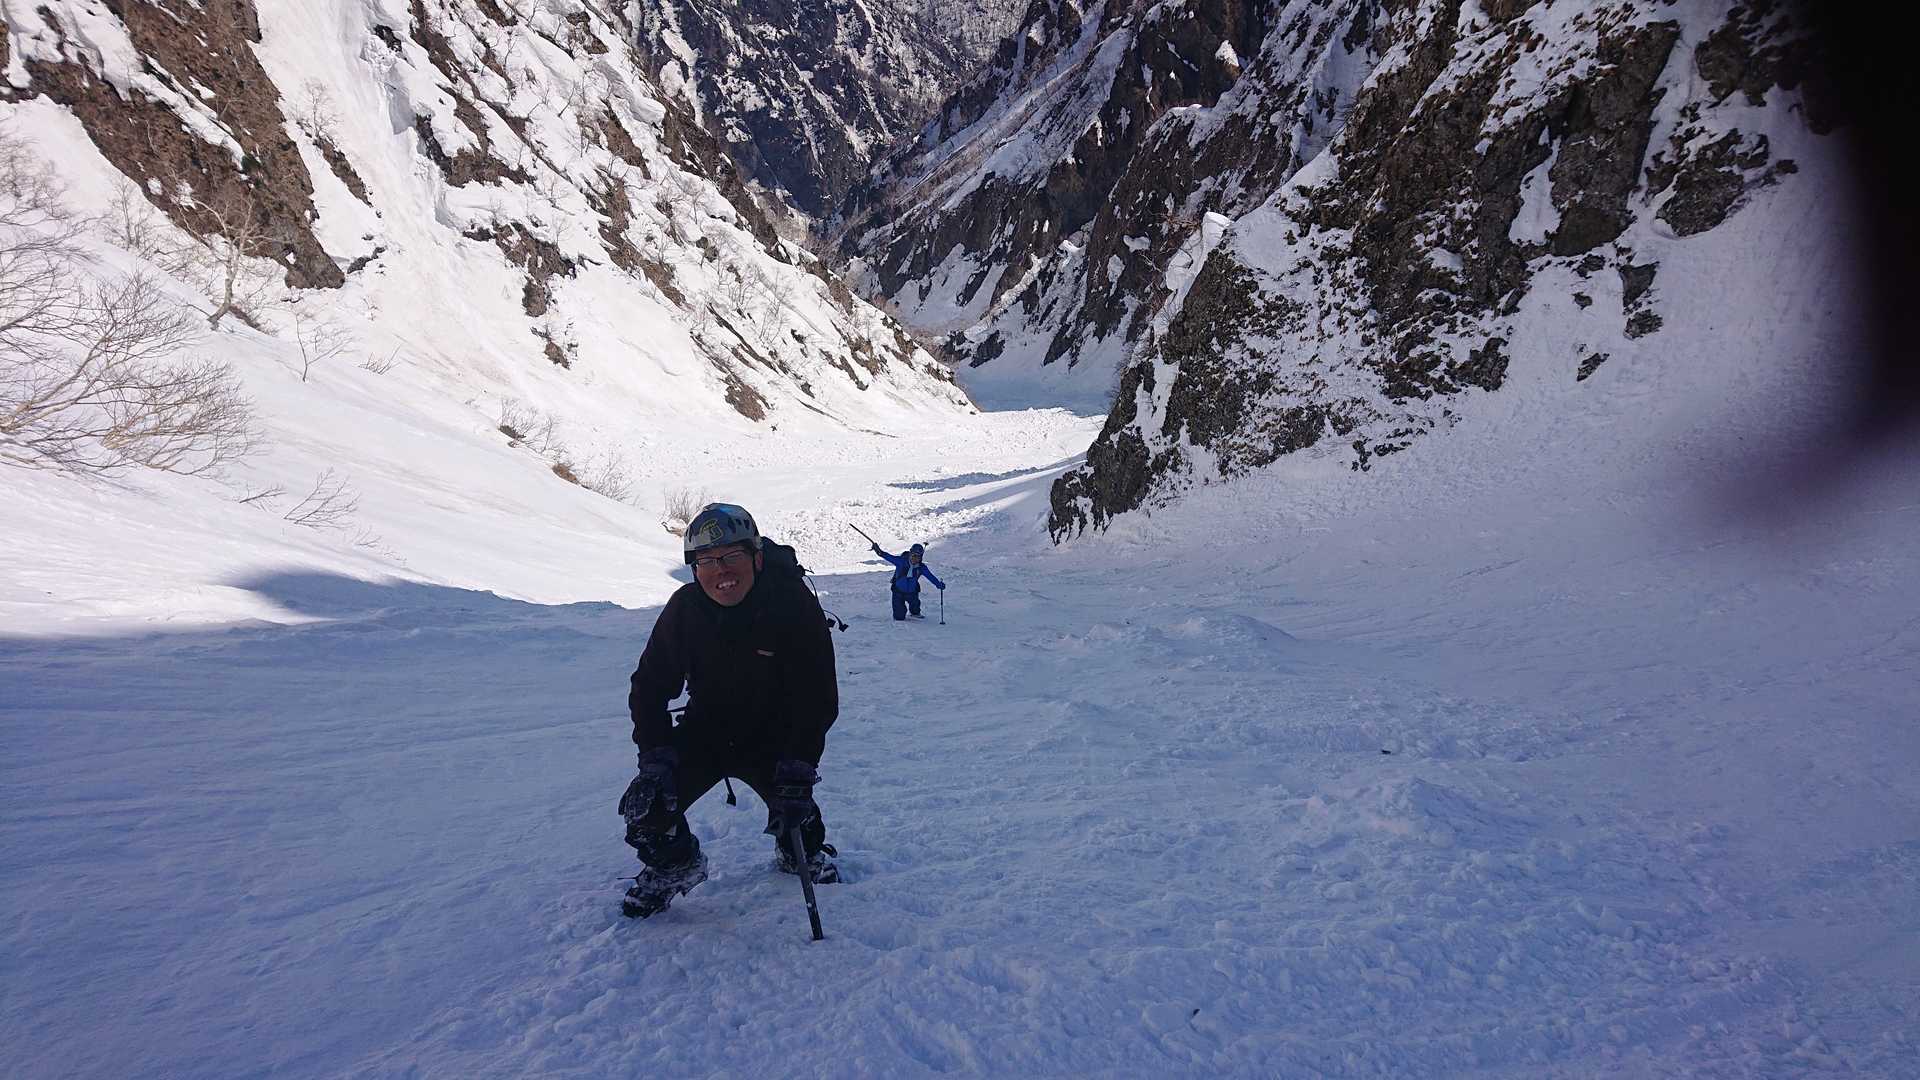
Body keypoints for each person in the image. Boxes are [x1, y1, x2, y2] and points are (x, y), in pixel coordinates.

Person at [619, 503, 839, 918]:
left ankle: (800, 851)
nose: (721, 570)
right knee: (646, 808)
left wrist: (800, 762)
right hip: (706, 731)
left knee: (796, 813)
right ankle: (676, 865)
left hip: (775, 736)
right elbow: (649, 687)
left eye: (732, 556)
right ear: (694, 569)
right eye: (706, 561)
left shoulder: (792, 604)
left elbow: (817, 694)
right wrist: (655, 756)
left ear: (757, 558)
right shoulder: (685, 609)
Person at [872, 541, 944, 621]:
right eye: (913, 555)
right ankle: (900, 613)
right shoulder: (901, 561)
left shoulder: (921, 567)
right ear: (910, 554)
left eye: (918, 557)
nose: (915, 558)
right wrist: (879, 551)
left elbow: (930, 577)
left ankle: (914, 612)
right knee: (899, 617)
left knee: (915, 606)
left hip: (912, 592)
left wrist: (938, 584)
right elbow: (889, 557)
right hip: (898, 591)